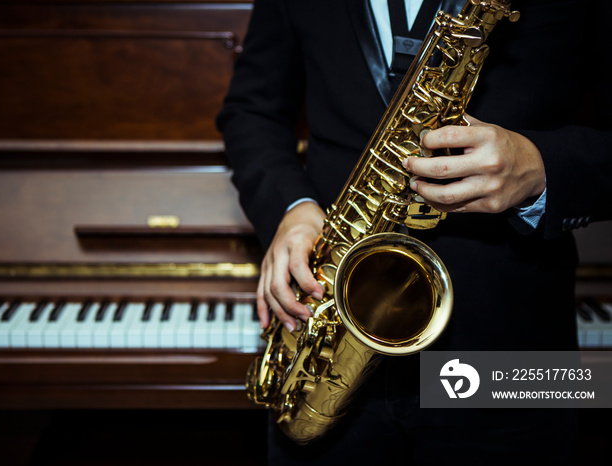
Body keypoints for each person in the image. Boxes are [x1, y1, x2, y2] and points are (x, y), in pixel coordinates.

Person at [216, 0, 612, 464]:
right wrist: (292, 208)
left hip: (512, 350)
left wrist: (542, 168)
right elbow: (251, 109)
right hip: (323, 331)